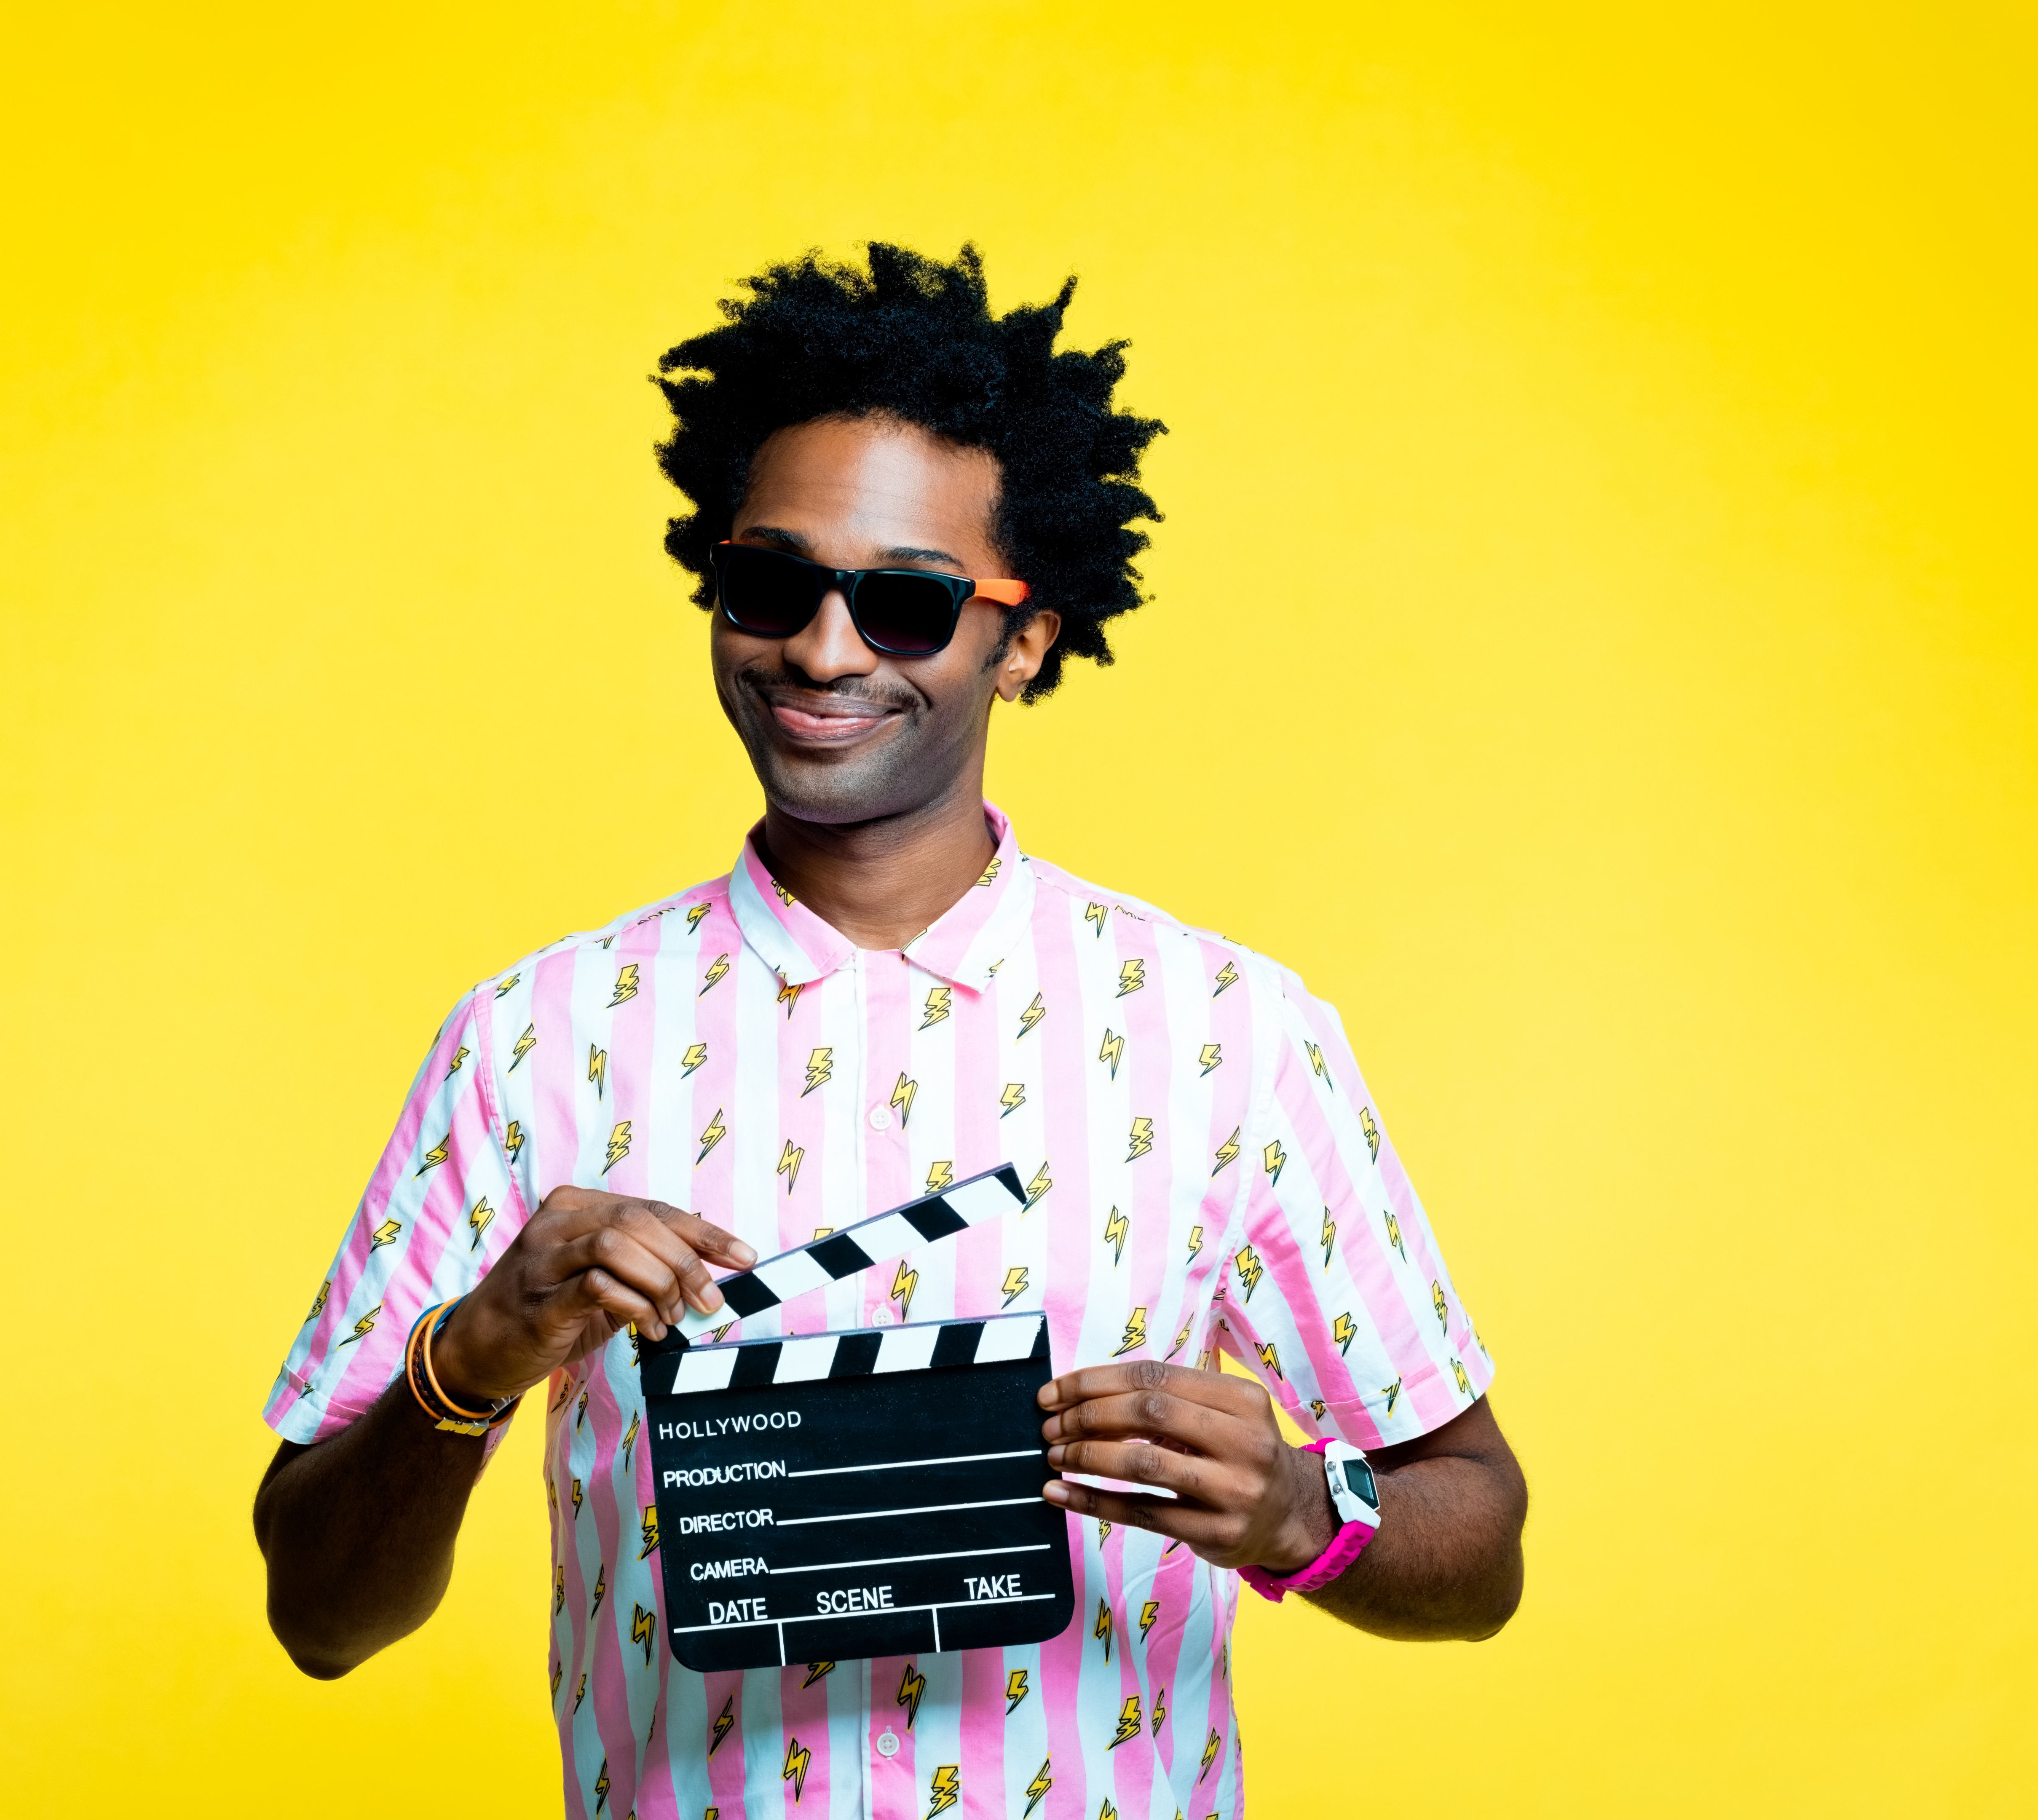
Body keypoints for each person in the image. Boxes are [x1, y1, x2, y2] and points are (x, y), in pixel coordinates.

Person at [254, 243, 1527, 1820]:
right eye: (773, 585)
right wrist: (474, 1357)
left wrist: (1298, 1515)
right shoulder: (532, 1042)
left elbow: (1480, 1543)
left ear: (1027, 637)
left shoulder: (1228, 1033)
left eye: (909, 603)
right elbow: (319, 1615)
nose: (827, 650)